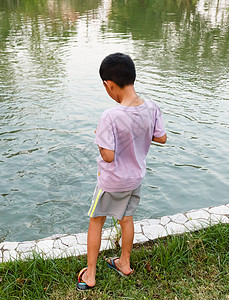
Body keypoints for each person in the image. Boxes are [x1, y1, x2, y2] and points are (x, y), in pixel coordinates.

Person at [76, 53, 167, 291]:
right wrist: (139, 133)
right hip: (135, 178)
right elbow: (162, 137)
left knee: (96, 221)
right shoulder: (151, 107)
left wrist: (99, 136)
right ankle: (124, 263)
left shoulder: (110, 115)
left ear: (109, 84)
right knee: (126, 219)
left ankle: (91, 275)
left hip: (112, 181)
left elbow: (108, 155)